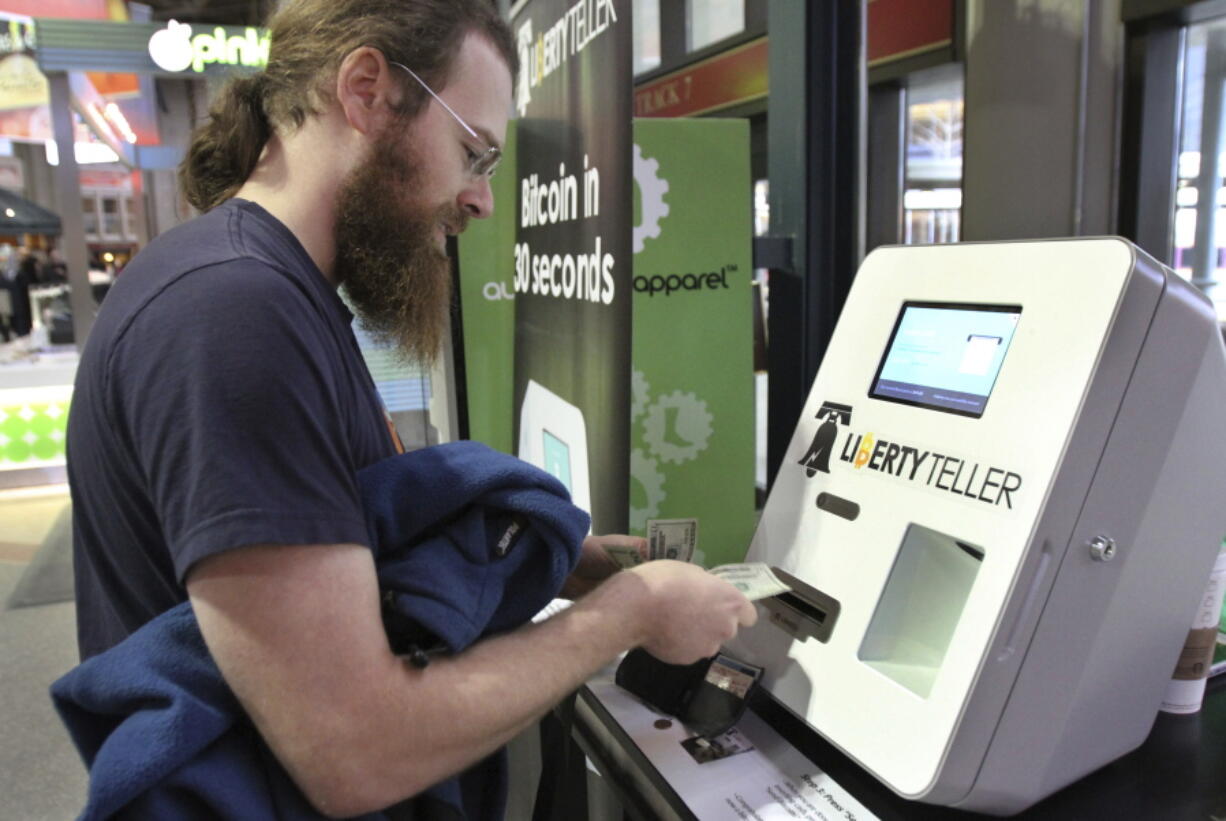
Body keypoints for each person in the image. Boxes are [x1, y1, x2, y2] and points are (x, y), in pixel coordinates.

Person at [65, 0, 756, 817]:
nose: (482, 201)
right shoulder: (233, 314)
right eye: (473, 152)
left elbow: (339, 550)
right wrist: (627, 613)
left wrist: (566, 564)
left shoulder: (271, 291)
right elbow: (356, 747)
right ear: (365, 91)